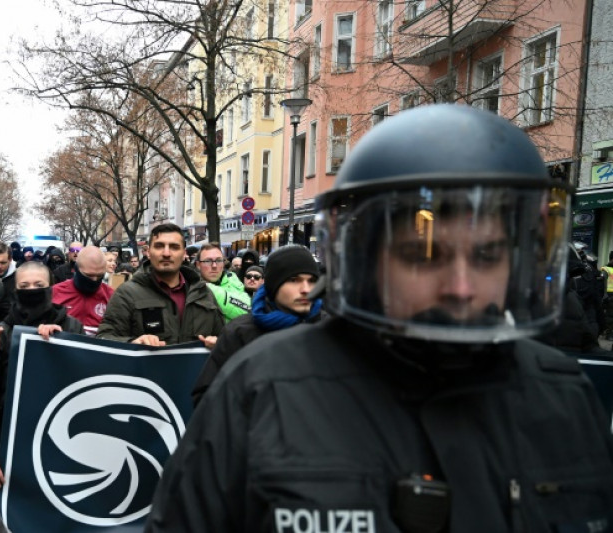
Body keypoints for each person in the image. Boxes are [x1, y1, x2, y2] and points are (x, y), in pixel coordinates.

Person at [146, 105, 613, 532]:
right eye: (423, 254)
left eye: (488, 255)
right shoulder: (261, 388)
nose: (462, 285)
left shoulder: (560, 392)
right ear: (366, 260)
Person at [0, 261, 84, 490]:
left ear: (51, 287)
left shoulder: (71, 327)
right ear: (15, 290)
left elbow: (86, 380)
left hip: (64, 439)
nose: (32, 291)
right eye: (24, 285)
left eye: (39, 284)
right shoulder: (0, 333)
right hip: (12, 438)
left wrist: (63, 345)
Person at [191, 245, 322, 405]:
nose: (305, 289)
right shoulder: (240, 332)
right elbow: (207, 398)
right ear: (273, 285)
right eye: (294, 280)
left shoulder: (331, 329)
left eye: (312, 281)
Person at [97, 223, 224, 347]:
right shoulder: (126, 294)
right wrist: (133, 343)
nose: (166, 253)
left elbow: (224, 339)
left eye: (174, 247)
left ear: (184, 253)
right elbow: (105, 338)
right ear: (148, 252)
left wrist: (217, 343)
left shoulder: (203, 293)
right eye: (159, 246)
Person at [52, 245, 115, 335]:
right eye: (89, 275)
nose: (94, 280)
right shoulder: (55, 293)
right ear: (76, 269)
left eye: (99, 275)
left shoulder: (111, 297)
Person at [195, 242, 250, 322]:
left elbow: (248, 312)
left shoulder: (234, 281)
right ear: (198, 265)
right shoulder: (190, 286)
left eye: (218, 260)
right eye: (208, 261)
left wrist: (210, 289)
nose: (214, 266)